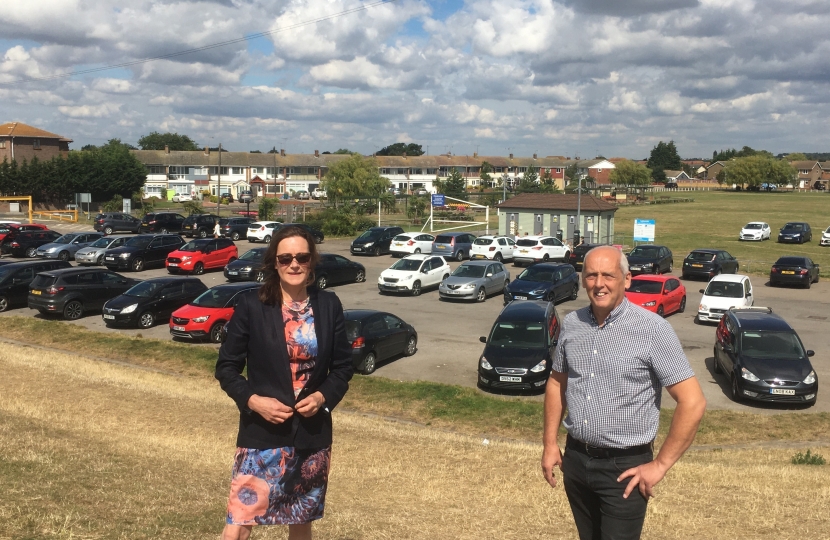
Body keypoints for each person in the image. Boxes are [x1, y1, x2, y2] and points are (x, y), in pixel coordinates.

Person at [541, 245, 705, 540]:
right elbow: (556, 383)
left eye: (608, 275)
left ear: (627, 280)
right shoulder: (573, 325)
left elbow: (692, 402)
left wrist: (661, 465)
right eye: (591, 275)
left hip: (625, 469)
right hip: (576, 461)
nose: (599, 284)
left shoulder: (653, 330)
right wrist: (550, 442)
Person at [215, 225, 354, 540]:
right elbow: (226, 368)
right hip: (261, 432)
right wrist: (254, 401)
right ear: (273, 263)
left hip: (311, 434)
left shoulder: (329, 305)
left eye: (302, 257)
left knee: (301, 521)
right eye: (285, 258)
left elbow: (343, 367)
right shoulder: (252, 305)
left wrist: (322, 397)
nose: (294, 264)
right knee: (238, 522)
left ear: (311, 261)